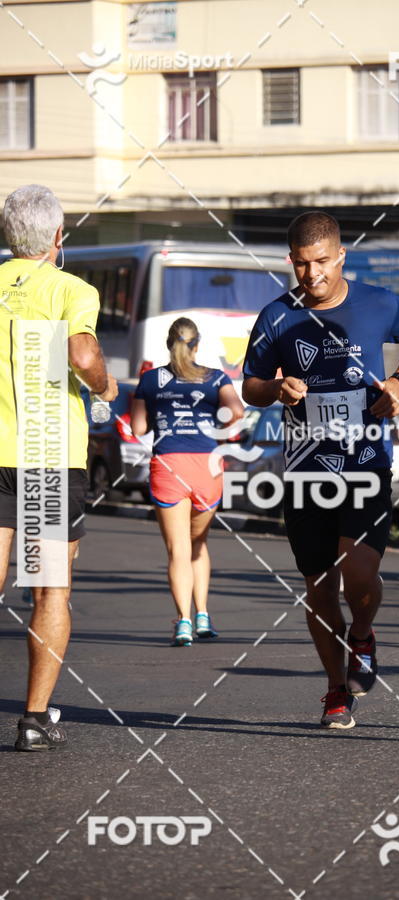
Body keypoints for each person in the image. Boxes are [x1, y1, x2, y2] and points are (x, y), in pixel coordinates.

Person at [242, 211, 399, 728]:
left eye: (322, 262)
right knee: (320, 586)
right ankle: (334, 690)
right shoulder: (275, 317)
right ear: (291, 262)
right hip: (306, 469)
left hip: (366, 461)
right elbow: (249, 387)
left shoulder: (376, 302)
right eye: (301, 265)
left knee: (360, 575)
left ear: (341, 255)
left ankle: (363, 635)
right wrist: (275, 389)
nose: (312, 274)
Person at [0, 184, 117, 751]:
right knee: (49, 590)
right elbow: (82, 354)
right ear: (56, 238)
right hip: (47, 459)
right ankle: (33, 720)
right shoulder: (72, 288)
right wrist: (105, 383)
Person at [131, 317, 243, 646]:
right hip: (207, 466)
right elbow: (236, 411)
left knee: (177, 550)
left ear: (170, 343)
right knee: (198, 545)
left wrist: (161, 415)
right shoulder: (215, 377)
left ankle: (183, 621)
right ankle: (204, 613)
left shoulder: (150, 379)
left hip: (168, 465)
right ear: (197, 345)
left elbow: (138, 429)